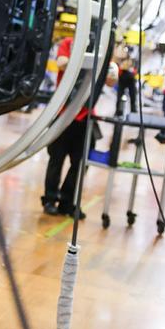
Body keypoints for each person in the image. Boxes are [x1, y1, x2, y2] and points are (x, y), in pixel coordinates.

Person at [42, 60, 118, 219]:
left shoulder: (102, 52)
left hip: (85, 120)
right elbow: (61, 63)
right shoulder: (70, 44)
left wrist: (107, 67)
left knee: (81, 164)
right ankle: (50, 200)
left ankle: (67, 202)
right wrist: (86, 61)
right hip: (63, 116)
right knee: (56, 160)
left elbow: (111, 81)